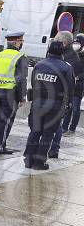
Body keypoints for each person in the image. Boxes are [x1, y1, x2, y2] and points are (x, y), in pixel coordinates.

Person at [24, 40, 74, 170]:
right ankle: (39, 162)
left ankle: (28, 159)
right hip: (55, 106)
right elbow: (70, 89)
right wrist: (68, 105)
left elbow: (34, 83)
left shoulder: (39, 65)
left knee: (35, 131)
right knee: (48, 134)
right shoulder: (66, 67)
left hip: (38, 103)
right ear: (62, 52)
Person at [0, 32, 28, 155]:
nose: (21, 44)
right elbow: (21, 79)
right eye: (21, 41)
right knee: (5, 121)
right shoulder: (20, 57)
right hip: (11, 93)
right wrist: (22, 97)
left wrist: (1, 81)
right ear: (16, 42)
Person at [48, 31, 82, 157]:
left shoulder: (71, 57)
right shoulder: (62, 53)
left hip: (61, 96)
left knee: (57, 124)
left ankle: (54, 149)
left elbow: (70, 80)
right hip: (54, 94)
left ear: (63, 42)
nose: (54, 41)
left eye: (56, 39)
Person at [59, 32, 83, 137]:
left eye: (78, 42)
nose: (76, 44)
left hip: (79, 85)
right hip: (70, 83)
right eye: (75, 42)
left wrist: (78, 77)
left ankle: (72, 129)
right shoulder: (72, 54)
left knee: (75, 108)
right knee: (68, 106)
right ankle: (64, 128)